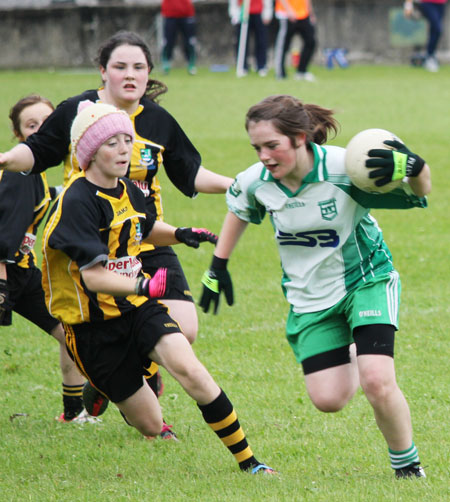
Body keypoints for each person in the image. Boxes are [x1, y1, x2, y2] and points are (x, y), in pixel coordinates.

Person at [0, 30, 233, 439]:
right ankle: (119, 379)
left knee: (186, 328)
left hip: (147, 236)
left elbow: (190, 173)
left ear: (148, 74)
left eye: (139, 67)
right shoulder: (78, 110)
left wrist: (238, 185)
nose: (130, 74)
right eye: (120, 66)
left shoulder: (158, 120)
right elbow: (37, 152)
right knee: (112, 324)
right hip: (95, 243)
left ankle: (124, 372)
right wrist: (5, 160)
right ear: (102, 71)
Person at [199, 94, 431, 478]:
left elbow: (419, 193)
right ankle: (360, 345)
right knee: (329, 399)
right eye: (257, 147)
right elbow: (239, 207)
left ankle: (407, 466)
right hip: (309, 297)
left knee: (376, 380)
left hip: (366, 279)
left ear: (300, 138)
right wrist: (217, 266)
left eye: (273, 145)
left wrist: (416, 167)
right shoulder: (257, 181)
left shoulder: (346, 169)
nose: (265, 156)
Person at [41, 100, 275, 475]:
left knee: (192, 371)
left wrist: (181, 234)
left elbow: (144, 227)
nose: (124, 150)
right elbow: (93, 277)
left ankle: (250, 463)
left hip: (136, 308)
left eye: (126, 140)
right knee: (150, 423)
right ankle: (102, 385)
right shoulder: (77, 201)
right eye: (111, 143)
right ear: (88, 151)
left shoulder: (130, 189)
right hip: (92, 329)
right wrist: (145, 283)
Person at [0, 94, 91, 423]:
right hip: (7, 273)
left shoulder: (37, 174)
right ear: (20, 135)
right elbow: (3, 236)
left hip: (24, 273)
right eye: (30, 126)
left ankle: (74, 411)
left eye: (46, 123)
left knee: (71, 331)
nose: (39, 131)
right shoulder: (19, 175)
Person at [274, 0, 317, 81]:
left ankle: (301, 71)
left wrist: (310, 13)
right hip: (285, 14)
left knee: (311, 41)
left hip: (303, 14)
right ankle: (280, 73)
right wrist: (289, 10)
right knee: (283, 45)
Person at [228, 0, 273, 77]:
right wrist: (234, 14)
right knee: (241, 42)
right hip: (242, 13)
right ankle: (243, 66)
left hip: (259, 12)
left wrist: (267, 13)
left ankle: (261, 66)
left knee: (261, 41)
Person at [404, 0, 447, 72]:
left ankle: (431, 56)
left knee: (435, 30)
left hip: (441, 3)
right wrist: (408, 6)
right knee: (437, 28)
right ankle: (430, 57)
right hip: (427, 3)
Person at [161, 0, 197, 75]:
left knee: (189, 42)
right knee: (168, 42)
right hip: (170, 14)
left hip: (186, 13)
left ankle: (191, 65)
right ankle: (166, 64)